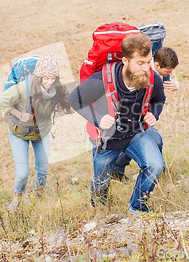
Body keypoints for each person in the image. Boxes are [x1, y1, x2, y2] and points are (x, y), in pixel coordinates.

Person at [68, 33, 166, 215]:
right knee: (101, 182)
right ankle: (98, 207)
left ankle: (136, 208)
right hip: (107, 140)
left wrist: (154, 113)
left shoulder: (152, 78)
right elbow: (74, 99)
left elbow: (159, 98)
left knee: (155, 165)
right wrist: (97, 118)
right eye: (140, 63)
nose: (146, 68)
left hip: (135, 133)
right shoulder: (102, 79)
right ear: (125, 61)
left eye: (148, 61)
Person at [0, 53, 71, 212]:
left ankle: (38, 194)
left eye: (53, 78)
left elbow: (68, 100)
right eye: (46, 78)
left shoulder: (56, 89)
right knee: (23, 172)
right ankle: (17, 199)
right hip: (20, 134)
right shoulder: (23, 89)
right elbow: (1, 101)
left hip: (41, 132)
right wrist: (18, 114)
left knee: (43, 168)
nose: (49, 82)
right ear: (38, 77)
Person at [112, 47, 180, 182]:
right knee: (148, 142)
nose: (170, 73)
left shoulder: (160, 68)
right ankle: (120, 170)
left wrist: (175, 84)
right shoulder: (143, 75)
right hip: (133, 118)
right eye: (167, 71)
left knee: (153, 142)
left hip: (145, 118)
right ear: (156, 65)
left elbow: (160, 98)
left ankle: (153, 169)